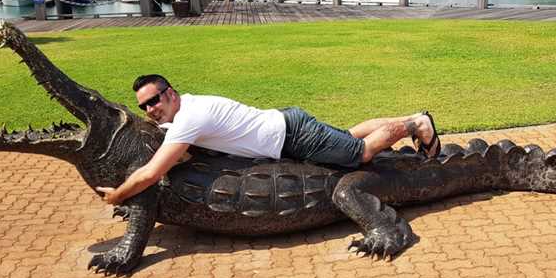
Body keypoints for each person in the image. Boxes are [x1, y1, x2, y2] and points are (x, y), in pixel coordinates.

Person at [96, 74, 440, 206]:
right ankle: (411, 119)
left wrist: (117, 196)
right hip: (287, 127)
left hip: (292, 135)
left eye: (155, 100)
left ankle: (416, 123)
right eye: (144, 106)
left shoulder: (189, 118)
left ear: (170, 93)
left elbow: (152, 173)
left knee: (361, 152)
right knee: (349, 137)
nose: (150, 109)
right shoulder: (186, 110)